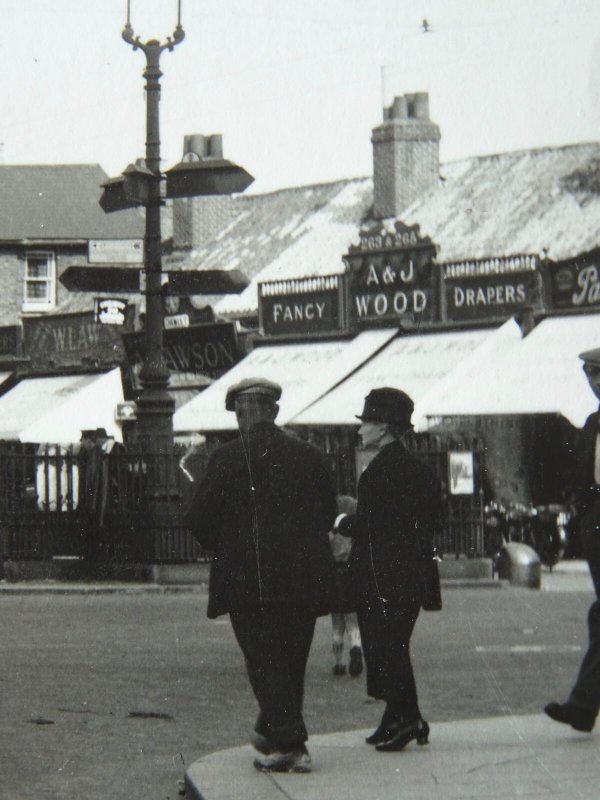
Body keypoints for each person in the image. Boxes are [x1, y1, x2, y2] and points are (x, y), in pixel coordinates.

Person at [185, 377, 337, 773]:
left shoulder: (228, 458)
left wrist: (227, 545)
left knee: (264, 661)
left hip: (248, 580)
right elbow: (326, 515)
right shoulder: (312, 456)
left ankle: (291, 743)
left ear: (240, 414)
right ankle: (273, 730)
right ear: (274, 411)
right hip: (303, 580)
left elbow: (199, 519)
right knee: (290, 661)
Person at [336, 387, 442, 752]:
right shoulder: (421, 471)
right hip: (413, 574)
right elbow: (437, 519)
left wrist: (343, 522)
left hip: (382, 575)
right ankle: (397, 717)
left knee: (388, 647)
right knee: (393, 645)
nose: (361, 429)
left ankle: (409, 719)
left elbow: (370, 526)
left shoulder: (376, 473)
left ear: (383, 428)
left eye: (366, 421)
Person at [545, 347, 600, 733]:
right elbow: (582, 477)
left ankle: (583, 704)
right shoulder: (592, 422)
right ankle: (583, 704)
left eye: (598, 375)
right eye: (590, 377)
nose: (595, 384)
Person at [329, 495, 363, 677]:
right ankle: (356, 648)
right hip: (350, 575)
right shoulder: (351, 533)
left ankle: (339, 663)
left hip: (335, 577)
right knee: (352, 621)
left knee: (337, 624)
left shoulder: (332, 534)